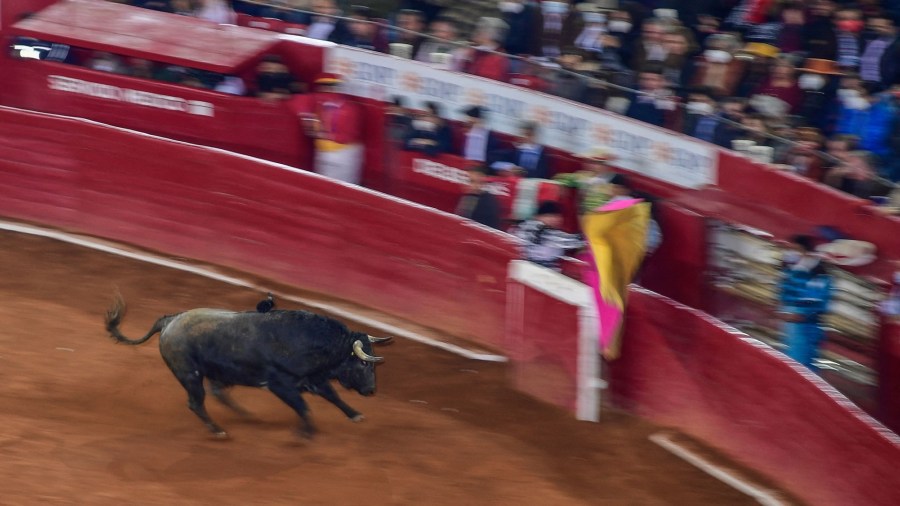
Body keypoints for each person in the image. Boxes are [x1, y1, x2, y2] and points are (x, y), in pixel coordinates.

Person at [777, 234, 832, 371]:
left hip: (803, 324)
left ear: (802, 250)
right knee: (797, 364)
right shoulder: (798, 269)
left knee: (800, 366)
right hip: (796, 323)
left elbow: (816, 301)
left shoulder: (815, 271)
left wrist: (799, 316)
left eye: (793, 249)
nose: (790, 253)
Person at [302, 73, 365, 184]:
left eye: (331, 86)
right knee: (322, 186)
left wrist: (325, 134)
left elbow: (348, 136)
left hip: (342, 155)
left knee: (343, 188)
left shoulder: (349, 109)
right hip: (323, 152)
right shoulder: (319, 105)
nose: (326, 90)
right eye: (323, 87)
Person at [510, 200, 584, 271]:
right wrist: (587, 238)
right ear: (538, 217)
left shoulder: (530, 226)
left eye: (557, 216)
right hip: (535, 272)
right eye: (549, 216)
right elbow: (569, 241)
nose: (555, 219)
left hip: (531, 271)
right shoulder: (537, 229)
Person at [554, 147, 619, 214]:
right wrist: (562, 186)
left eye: (593, 162)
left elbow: (623, 203)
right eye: (588, 161)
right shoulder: (584, 176)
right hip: (585, 218)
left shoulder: (614, 181)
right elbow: (559, 178)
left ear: (604, 165)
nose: (587, 164)